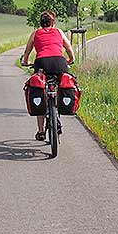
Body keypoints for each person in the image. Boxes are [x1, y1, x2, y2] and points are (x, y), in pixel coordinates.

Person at [21, 11, 75, 141]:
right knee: (61, 85)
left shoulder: (35, 33)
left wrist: (25, 62)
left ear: (40, 23)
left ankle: (40, 131)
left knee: (39, 90)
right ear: (53, 22)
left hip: (41, 63)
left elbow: (27, 51)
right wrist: (71, 59)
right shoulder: (59, 32)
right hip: (59, 63)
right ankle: (57, 110)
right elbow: (68, 48)